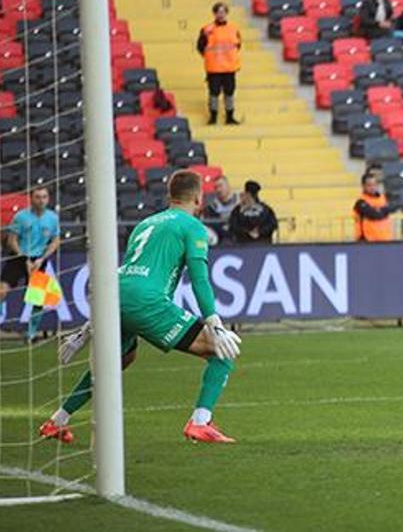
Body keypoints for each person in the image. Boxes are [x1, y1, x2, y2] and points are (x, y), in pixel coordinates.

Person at [42, 170, 243, 445]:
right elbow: (199, 278)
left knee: (119, 360)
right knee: (222, 351)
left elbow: (130, 273)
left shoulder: (146, 223)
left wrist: (89, 328)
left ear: (170, 196)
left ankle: (57, 421)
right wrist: (214, 323)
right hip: (146, 301)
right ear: (198, 198)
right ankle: (200, 421)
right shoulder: (192, 226)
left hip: (113, 295)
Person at [1, 186, 59, 339]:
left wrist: (42, 258)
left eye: (44, 197)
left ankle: (31, 333)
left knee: (37, 299)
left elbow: (55, 241)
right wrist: (23, 257)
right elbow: (12, 240)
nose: (41, 200)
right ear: (31, 199)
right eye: (38, 197)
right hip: (18, 256)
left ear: (48, 199)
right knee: (2, 290)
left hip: (38, 259)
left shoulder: (52, 218)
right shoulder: (21, 217)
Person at [196, 2, 241, 126]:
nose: (221, 14)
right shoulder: (206, 29)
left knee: (229, 93)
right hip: (214, 68)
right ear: (214, 13)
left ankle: (230, 117)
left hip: (229, 68)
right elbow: (200, 47)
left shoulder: (233, 28)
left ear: (226, 13)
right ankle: (213, 117)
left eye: (223, 12)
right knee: (214, 93)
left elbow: (238, 45)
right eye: (218, 12)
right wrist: (211, 58)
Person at [353, 173, 401, 242]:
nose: (372, 187)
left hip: (385, 239)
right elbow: (374, 214)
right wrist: (384, 210)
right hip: (366, 241)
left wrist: (381, 210)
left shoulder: (383, 197)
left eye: (374, 184)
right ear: (363, 186)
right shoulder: (360, 202)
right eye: (369, 185)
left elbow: (394, 207)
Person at [203, 175, 239, 241]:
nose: (218, 190)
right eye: (216, 187)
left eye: (220, 186)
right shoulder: (211, 207)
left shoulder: (240, 201)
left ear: (228, 185)